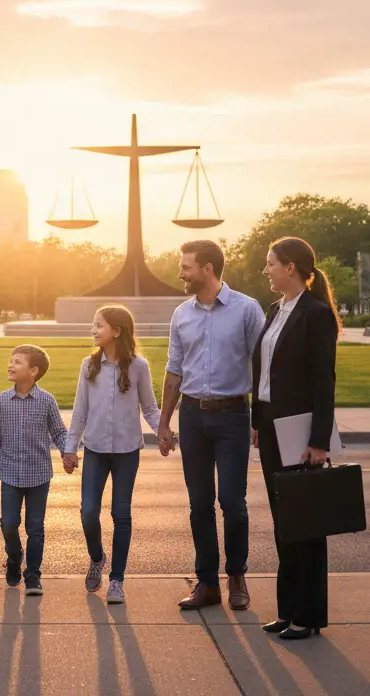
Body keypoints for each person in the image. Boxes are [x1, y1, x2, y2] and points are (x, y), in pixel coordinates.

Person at [157, 240, 265, 612]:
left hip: (234, 415)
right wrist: (164, 423)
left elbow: (264, 365)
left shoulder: (246, 310)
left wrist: (262, 418)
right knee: (199, 502)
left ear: (207, 269)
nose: (180, 273)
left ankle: (237, 576)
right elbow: (174, 369)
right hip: (192, 416)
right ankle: (207, 583)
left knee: (232, 502)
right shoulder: (181, 315)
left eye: (185, 267)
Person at [251, 237, 340, 640]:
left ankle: (309, 616)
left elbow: (324, 383)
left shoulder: (316, 314)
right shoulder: (275, 310)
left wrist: (319, 441)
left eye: (270, 263)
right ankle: (288, 610)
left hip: (300, 430)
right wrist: (257, 420)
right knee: (284, 521)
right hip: (270, 425)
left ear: (290, 268)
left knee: (306, 522)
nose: (265, 269)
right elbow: (264, 374)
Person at [63, 306, 162, 605]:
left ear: (117, 331)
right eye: (93, 325)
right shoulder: (88, 366)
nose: (93, 330)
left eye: (99, 326)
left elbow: (150, 408)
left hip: (127, 452)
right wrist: (71, 447)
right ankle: (97, 558)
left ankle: (117, 579)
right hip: (94, 450)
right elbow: (80, 410)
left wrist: (165, 433)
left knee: (121, 514)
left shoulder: (138, 367)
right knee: (88, 512)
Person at [0, 344, 71, 596]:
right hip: (9, 474)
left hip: (38, 475)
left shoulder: (47, 401)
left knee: (36, 528)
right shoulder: (1, 400)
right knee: (9, 524)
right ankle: (14, 557)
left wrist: (68, 453)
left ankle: (33, 575)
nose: (11, 365)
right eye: (11, 361)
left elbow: (59, 432)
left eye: (17, 362)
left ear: (33, 371)